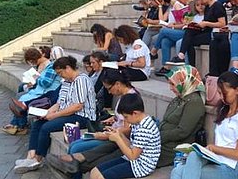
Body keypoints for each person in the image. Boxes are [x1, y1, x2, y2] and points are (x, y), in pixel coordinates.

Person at [47, 66, 206, 177]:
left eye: (173, 84)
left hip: (170, 147)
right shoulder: (180, 98)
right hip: (160, 137)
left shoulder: (194, 102)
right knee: (118, 143)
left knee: (120, 148)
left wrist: (154, 136)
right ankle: (77, 160)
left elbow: (182, 132)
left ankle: (77, 164)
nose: (170, 87)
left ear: (185, 82)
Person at [14, 56, 96, 174]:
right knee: (38, 124)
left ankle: (38, 159)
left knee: (46, 128)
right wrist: (48, 112)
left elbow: (77, 106)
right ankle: (30, 157)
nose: (60, 76)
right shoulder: (67, 81)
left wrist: (54, 116)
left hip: (82, 116)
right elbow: (59, 102)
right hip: (68, 113)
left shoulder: (81, 80)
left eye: (60, 72)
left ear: (68, 68)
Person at [171, 71, 238, 179]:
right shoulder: (224, 110)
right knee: (179, 168)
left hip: (230, 167)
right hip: (215, 160)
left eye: (224, 93)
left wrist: (214, 148)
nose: (221, 97)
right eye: (219, 93)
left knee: (184, 173)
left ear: (237, 90)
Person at [88, 93, 161, 179]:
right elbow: (131, 146)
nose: (126, 120)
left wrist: (118, 139)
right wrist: (120, 135)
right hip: (131, 160)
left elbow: (133, 156)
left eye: (126, 117)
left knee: (101, 177)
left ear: (135, 113)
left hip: (141, 166)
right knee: (94, 171)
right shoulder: (138, 122)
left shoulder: (145, 128)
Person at [3, 47, 62, 135]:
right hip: (42, 90)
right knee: (21, 97)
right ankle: (17, 125)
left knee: (22, 100)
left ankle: (20, 126)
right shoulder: (47, 66)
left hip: (46, 92)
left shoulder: (51, 67)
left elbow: (46, 83)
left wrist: (36, 78)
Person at [171, 0, 226, 67]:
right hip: (205, 30)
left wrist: (206, 23)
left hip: (213, 33)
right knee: (189, 30)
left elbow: (222, 23)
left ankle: (190, 65)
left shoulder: (217, 5)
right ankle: (182, 56)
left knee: (189, 41)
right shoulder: (208, 7)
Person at [152, 0, 194, 75]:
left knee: (163, 31)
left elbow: (187, 24)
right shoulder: (181, 5)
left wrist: (173, 26)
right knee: (165, 41)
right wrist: (174, 24)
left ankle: (154, 51)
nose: (178, 0)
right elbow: (182, 22)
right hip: (181, 29)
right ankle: (166, 66)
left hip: (187, 32)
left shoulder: (190, 6)